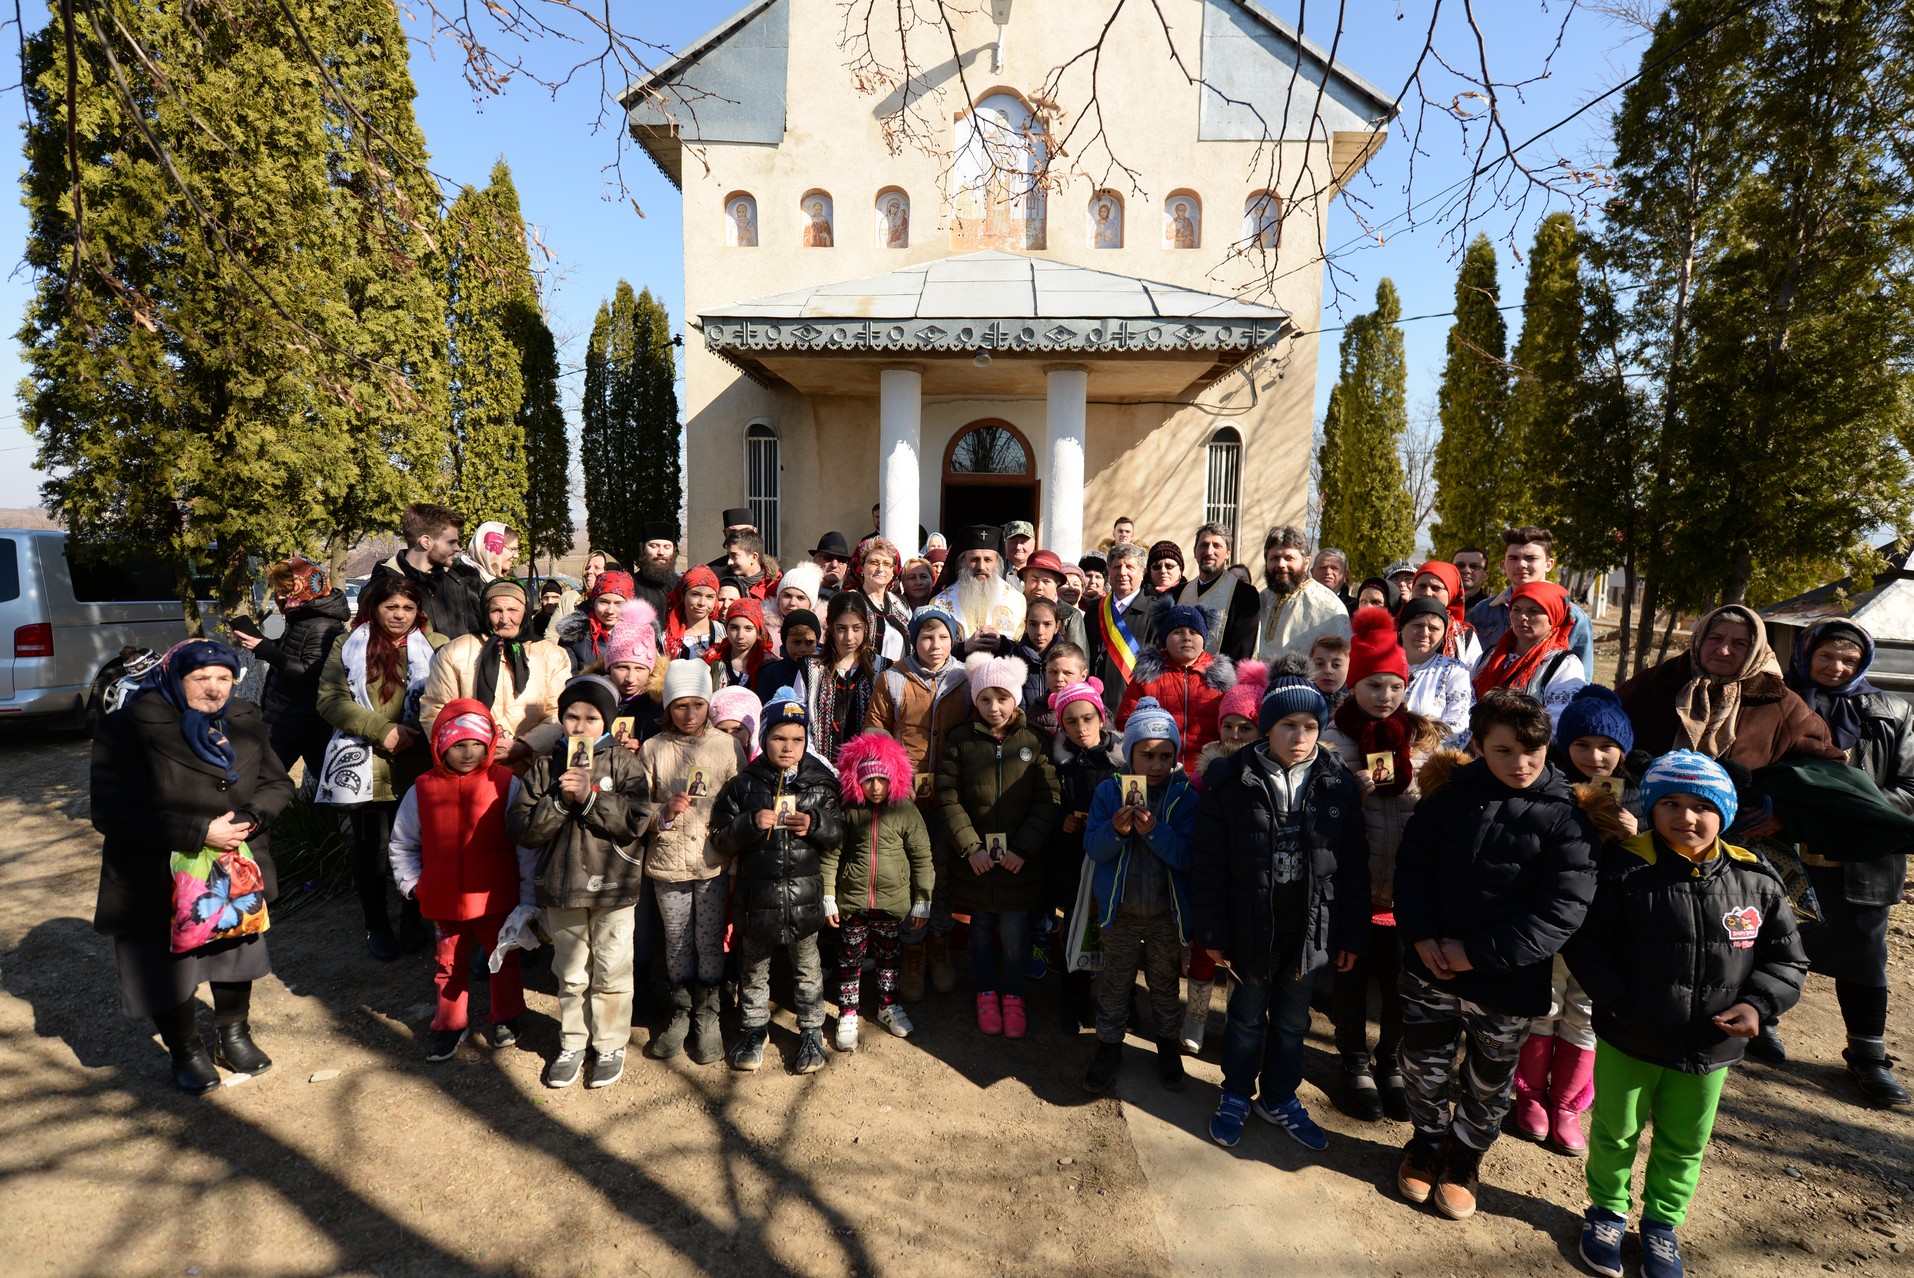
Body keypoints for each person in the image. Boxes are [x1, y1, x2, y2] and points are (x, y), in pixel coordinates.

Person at [1566, 752, 1806, 1278]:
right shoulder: (1624, 869)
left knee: (1684, 1141)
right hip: (1629, 1035)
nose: (1685, 817)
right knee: (1615, 1131)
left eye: (1702, 805)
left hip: (1710, 1047)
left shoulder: (1756, 880)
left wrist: (1756, 1004)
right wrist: (1619, 1000)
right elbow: (1588, 945)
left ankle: (1661, 1225)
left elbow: (1787, 959)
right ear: (1651, 808)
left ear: (1725, 812)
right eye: (1669, 803)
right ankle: (1606, 1210)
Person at [1391, 688, 1597, 1221]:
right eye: (1502, 750)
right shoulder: (1448, 796)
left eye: (1532, 750)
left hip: (1505, 981)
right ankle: (1427, 1140)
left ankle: (1464, 1156)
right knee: (1425, 1063)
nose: (1520, 763)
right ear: (1479, 745)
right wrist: (1422, 937)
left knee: (1490, 1075)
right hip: (1429, 966)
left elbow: (1561, 911)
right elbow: (1411, 872)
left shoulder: (1566, 816)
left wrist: (1477, 954)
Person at [91, 639, 295, 1092]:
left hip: (234, 863)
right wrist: (198, 832)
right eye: (201, 678)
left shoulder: (243, 718)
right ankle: (185, 1049)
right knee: (169, 962)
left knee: (235, 947)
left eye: (224, 677)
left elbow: (277, 783)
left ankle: (233, 1034)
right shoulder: (127, 727)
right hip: (158, 868)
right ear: (174, 676)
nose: (215, 688)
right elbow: (110, 811)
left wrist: (250, 818)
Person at [1193, 673, 1368, 1151]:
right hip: (1251, 926)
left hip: (1309, 928)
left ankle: (1279, 1096)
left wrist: (1350, 934)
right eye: (1288, 725)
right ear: (1266, 727)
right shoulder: (1231, 781)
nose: (1300, 737)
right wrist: (1211, 928)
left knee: (1293, 1024)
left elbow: (1352, 867)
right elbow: (1208, 863)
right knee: (1246, 1018)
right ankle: (1235, 1093)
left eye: (1310, 725)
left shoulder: (1336, 784)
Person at [1781, 619, 1913, 1105]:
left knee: (1864, 956)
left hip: (1863, 859)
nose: (1836, 667)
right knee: (1773, 942)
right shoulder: (1781, 701)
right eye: (1826, 656)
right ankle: (1760, 1026)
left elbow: (1911, 789)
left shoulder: (1892, 710)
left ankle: (1868, 1055)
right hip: (1787, 851)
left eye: (1849, 661)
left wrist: (1849, 804)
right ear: (1807, 654)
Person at [1321, 608, 1444, 1124]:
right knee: (1351, 977)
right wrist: (1347, 790)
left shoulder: (1418, 740)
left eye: (1395, 686)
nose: (1385, 697)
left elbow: (1437, 803)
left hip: (1406, 890)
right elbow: (1314, 806)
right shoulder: (1333, 739)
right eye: (1374, 685)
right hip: (1354, 885)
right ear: (1355, 686)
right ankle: (1354, 1060)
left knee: (1400, 983)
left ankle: (1390, 1060)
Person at [1513, 684, 1642, 1152]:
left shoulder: (1640, 798)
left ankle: (1567, 1105)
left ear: (1622, 751)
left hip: (1607, 928)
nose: (1595, 756)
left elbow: (1659, 862)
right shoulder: (1546, 785)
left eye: (1608, 747)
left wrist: (1636, 835)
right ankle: (1528, 1097)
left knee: (1585, 1013)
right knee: (1543, 1005)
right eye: (1583, 745)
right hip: (1550, 919)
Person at [508, 675, 650, 1090]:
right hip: (561, 885)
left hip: (613, 884)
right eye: (571, 716)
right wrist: (556, 801)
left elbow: (636, 820)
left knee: (612, 970)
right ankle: (572, 1041)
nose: (580, 726)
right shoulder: (546, 766)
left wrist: (590, 799)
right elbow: (522, 829)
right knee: (570, 973)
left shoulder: (623, 762)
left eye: (591, 717)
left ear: (605, 721)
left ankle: (609, 1043)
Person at [386, 699, 535, 1061]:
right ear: (441, 745)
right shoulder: (422, 788)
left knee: (503, 957)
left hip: (495, 895)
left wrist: (528, 891)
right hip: (444, 898)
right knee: (448, 962)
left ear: (489, 744)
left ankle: (507, 1013)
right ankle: (451, 1022)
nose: (467, 753)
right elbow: (403, 841)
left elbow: (524, 843)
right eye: (458, 745)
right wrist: (413, 884)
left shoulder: (505, 783)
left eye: (476, 745)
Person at [314, 574, 446, 960]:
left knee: (418, 844)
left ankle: (411, 914)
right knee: (372, 847)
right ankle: (376, 923)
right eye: (392, 607)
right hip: (368, 766)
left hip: (420, 762)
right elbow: (330, 700)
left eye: (408, 608)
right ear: (374, 607)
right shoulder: (348, 645)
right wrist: (382, 730)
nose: (400, 615)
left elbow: (448, 698)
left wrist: (416, 735)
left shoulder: (436, 647)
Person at [712, 687, 843, 1074]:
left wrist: (815, 823)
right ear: (763, 738)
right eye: (778, 738)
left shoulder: (820, 784)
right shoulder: (742, 786)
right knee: (754, 967)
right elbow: (720, 838)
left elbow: (838, 835)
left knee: (807, 969)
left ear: (808, 741)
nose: (788, 747)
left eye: (797, 740)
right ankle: (754, 1029)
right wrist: (750, 823)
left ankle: (811, 1031)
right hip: (756, 899)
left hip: (803, 900)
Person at [937, 653, 1062, 1039]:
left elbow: (1048, 799)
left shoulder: (1034, 742)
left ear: (1016, 699)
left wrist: (1022, 849)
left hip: (1016, 864)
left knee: (1014, 934)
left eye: (1003, 698)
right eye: (986, 699)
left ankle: (1013, 995)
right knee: (980, 931)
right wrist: (970, 847)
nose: (994, 707)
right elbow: (948, 796)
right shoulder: (960, 739)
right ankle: (986, 992)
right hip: (975, 863)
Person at [1080, 697, 1199, 1093]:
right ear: (1130, 754)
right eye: (1147, 755)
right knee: (1115, 982)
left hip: (1166, 914)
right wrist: (1116, 831)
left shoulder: (1184, 796)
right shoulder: (1109, 793)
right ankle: (1109, 1046)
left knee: (1165, 985)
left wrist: (1154, 832)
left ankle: (1167, 1046)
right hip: (1122, 912)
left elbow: (1188, 856)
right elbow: (1094, 849)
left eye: (1166, 755)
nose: (1157, 765)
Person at [635, 660, 748, 1065]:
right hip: (668, 864)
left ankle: (709, 1014)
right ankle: (680, 1012)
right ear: (668, 707)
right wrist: (661, 812)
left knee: (708, 938)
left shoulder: (725, 746)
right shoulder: (653, 748)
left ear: (708, 705)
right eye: (680, 706)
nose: (689, 714)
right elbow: (634, 806)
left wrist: (734, 864)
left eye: (697, 705)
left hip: (713, 862)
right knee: (678, 940)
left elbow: (740, 806)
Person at [866, 606, 972, 999]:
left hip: (948, 796)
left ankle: (939, 949)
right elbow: (875, 733)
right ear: (914, 638)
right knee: (909, 876)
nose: (935, 645)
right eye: (927, 637)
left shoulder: (965, 678)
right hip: (905, 797)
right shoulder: (893, 678)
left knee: (941, 875)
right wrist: (897, 777)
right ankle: (911, 952)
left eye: (943, 637)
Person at [1617, 604, 1842, 770]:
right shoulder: (1656, 682)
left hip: (1736, 830)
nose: (1723, 650)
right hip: (1645, 821)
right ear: (1699, 640)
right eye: (1715, 638)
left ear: (1756, 651)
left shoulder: (1781, 705)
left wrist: (1778, 812)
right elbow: (1601, 733)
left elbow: (1826, 767)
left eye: (1740, 644)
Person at [826, 732, 934, 1048]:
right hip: (853, 901)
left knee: (889, 955)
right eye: (868, 779)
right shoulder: (848, 810)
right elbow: (832, 853)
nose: (875, 787)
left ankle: (888, 1005)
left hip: (892, 901)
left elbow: (922, 855)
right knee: (850, 956)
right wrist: (828, 895)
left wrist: (922, 899)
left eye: (882, 779)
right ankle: (847, 1012)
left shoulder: (905, 811)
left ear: (894, 778)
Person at [419, 579, 574, 766]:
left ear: (526, 611)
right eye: (496, 611)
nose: (505, 619)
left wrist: (527, 745)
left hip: (533, 769)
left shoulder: (552, 655)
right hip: (471, 767)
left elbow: (560, 711)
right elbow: (436, 709)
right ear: (485, 612)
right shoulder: (455, 652)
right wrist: (469, 749)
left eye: (513, 610)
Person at [1049, 677, 1123, 1035]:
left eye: (1087, 719)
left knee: (1111, 934)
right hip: (1072, 862)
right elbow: (1049, 805)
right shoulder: (1061, 765)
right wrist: (1061, 820)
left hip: (1111, 862)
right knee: (1074, 931)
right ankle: (1072, 999)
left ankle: (1108, 1000)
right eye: (1071, 721)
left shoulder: (1121, 762)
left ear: (1101, 717)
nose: (1081, 728)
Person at [236, 557, 350, 777]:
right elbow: (290, 651)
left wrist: (266, 650)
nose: (280, 596)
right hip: (286, 715)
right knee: (268, 780)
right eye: (279, 590)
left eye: (286, 590)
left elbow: (309, 672)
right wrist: (260, 643)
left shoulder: (324, 624)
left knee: (268, 781)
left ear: (305, 586)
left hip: (301, 720)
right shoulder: (301, 616)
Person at [1115, 605, 1237, 778]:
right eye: (1178, 632)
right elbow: (1125, 724)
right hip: (1158, 774)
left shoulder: (1222, 681)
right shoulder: (1147, 677)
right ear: (1164, 638)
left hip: (1208, 774)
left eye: (1194, 632)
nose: (1186, 637)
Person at [1467, 527, 1594, 674]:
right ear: (1503, 565)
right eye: (1513, 558)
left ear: (1549, 564)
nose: (1521, 564)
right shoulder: (1482, 610)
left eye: (1531, 558)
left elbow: (1581, 681)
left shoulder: (1573, 617)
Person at [1471, 580, 1587, 728]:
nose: (1522, 617)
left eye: (1533, 611)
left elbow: (1557, 722)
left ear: (1554, 617)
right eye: (1517, 609)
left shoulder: (1563, 664)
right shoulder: (1489, 656)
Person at [369, 502, 484, 640]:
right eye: (451, 542)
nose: (458, 548)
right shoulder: (382, 587)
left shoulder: (455, 580)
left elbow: (474, 634)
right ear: (426, 542)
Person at [796, 591, 887, 762]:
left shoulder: (882, 669)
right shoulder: (810, 669)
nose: (849, 637)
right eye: (841, 628)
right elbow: (800, 720)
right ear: (830, 626)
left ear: (866, 627)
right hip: (818, 768)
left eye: (856, 628)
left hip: (868, 770)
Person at [1255, 525, 1351, 663]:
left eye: (1289, 558)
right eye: (1274, 558)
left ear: (1306, 563)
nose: (1281, 564)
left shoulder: (1330, 608)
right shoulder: (1259, 600)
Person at [928, 525, 1028, 654]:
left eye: (988, 560)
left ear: (997, 561)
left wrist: (1002, 644)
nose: (981, 566)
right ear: (963, 561)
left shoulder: (1016, 600)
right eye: (974, 559)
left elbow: (1024, 650)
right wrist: (963, 647)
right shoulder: (939, 602)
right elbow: (932, 650)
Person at [1087, 542, 1159, 718]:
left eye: (1130, 567)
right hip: (1096, 705)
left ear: (1142, 572)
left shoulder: (1156, 612)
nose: (1123, 572)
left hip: (1136, 707)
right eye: (1117, 566)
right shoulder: (1094, 609)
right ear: (1109, 571)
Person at [1178, 523, 1262, 660]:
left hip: (1220, 678)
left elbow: (1240, 651)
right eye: (1203, 545)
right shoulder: (1178, 593)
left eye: (1217, 546)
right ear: (1195, 552)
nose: (1209, 552)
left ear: (1228, 553)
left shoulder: (1245, 595)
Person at [1397, 597, 1473, 745]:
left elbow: (1458, 725)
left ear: (1443, 636)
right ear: (1401, 629)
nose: (1424, 633)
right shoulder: (1383, 664)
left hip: (1430, 760)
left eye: (1433, 628)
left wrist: (1419, 755)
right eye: (1417, 625)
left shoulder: (1454, 671)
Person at [846, 535, 913, 662]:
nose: (880, 569)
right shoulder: (848, 601)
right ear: (862, 568)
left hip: (899, 678)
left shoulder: (901, 604)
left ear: (893, 571)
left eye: (887, 564)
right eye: (873, 562)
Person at [558, 570, 636, 673]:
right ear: (593, 602)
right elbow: (567, 678)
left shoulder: (641, 635)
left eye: (619, 604)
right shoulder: (574, 637)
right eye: (604, 602)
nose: (610, 611)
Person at [1408, 561, 1482, 668]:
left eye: (1436, 588)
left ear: (1451, 593)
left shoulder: (1464, 635)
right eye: (1421, 586)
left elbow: (1473, 674)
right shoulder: (1396, 626)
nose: (1427, 593)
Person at [1019, 549, 1091, 654]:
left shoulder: (1070, 615)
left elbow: (1079, 659)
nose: (1039, 587)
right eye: (1034, 580)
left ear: (1057, 584)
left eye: (1046, 581)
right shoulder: (1014, 606)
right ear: (1025, 581)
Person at [709, 598, 774, 691]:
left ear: (758, 632)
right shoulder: (713, 661)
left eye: (748, 628)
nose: (740, 636)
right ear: (726, 628)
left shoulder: (769, 667)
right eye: (734, 628)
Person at [664, 566, 726, 663]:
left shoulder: (725, 633)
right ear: (683, 596)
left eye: (710, 597)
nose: (702, 603)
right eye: (695, 595)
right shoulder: (666, 640)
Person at [756, 607, 818, 698]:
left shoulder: (823, 673)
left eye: (809, 642)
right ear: (785, 641)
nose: (802, 649)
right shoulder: (771, 673)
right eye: (796, 642)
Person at [632, 520, 681, 620]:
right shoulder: (631, 585)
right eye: (654, 546)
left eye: (667, 547)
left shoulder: (681, 585)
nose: (661, 552)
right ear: (642, 548)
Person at [710, 685, 762, 761]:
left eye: (737, 730)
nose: (730, 737)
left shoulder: (763, 763)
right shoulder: (703, 759)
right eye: (722, 731)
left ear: (751, 732)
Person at [724, 532, 779, 603]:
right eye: (729, 556)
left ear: (754, 557)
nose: (729, 562)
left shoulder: (775, 586)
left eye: (734, 556)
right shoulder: (723, 583)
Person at [704, 508, 758, 576]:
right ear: (725, 534)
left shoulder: (772, 575)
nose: (739, 536)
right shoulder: (710, 574)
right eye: (733, 532)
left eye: (745, 531)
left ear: (755, 532)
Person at [1308, 633, 1350, 711]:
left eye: (1336, 665)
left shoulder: (1357, 704)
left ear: (1349, 667)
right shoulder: (1303, 701)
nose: (1327, 671)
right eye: (1319, 664)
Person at [810, 531, 853, 597]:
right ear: (816, 561)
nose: (834, 565)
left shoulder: (852, 599)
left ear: (846, 566)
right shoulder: (801, 592)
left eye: (841, 559)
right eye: (828, 557)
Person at [1453, 547, 1490, 611]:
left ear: (1485, 575)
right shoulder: (1439, 604)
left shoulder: (1493, 610)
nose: (1466, 570)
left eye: (1474, 566)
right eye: (1460, 565)